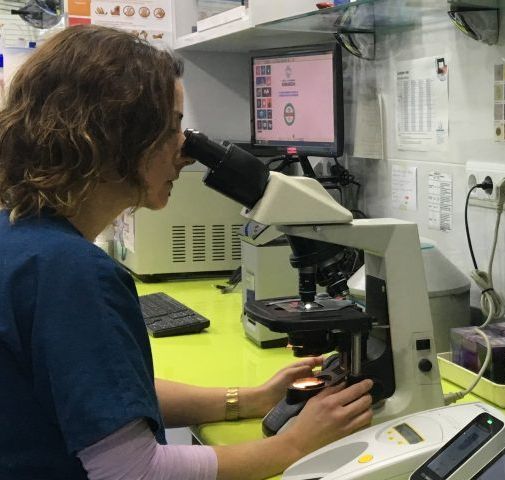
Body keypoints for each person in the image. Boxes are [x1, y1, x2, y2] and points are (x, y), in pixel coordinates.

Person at [0, 25, 374, 479]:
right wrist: (295, 445)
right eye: (176, 126)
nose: (188, 151)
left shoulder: (19, 234)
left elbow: (105, 395)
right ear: (118, 136)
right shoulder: (70, 272)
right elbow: (134, 472)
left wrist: (249, 399)